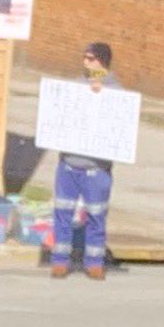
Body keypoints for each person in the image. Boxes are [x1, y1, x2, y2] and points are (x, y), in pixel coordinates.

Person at [49, 41, 118, 280]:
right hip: (69, 165)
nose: (85, 62)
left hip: (96, 169)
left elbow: (120, 123)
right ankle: (60, 261)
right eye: (84, 58)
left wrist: (102, 94)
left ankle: (94, 263)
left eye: (91, 59)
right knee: (62, 213)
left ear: (102, 62)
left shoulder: (116, 92)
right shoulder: (75, 87)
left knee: (96, 215)